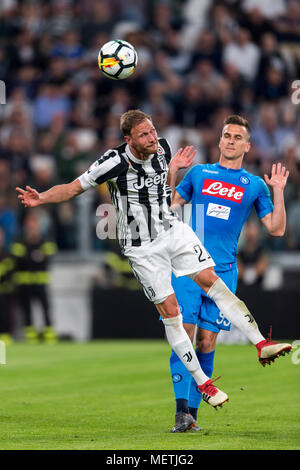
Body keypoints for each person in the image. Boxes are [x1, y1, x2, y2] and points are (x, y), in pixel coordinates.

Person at [16, 110, 291, 418]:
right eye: (144, 135)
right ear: (128, 140)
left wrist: (172, 170)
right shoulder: (118, 163)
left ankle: (261, 344)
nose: (153, 138)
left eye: (152, 131)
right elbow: (74, 187)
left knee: (212, 292)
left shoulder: (165, 150)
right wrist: (42, 198)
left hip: (172, 232)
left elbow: (166, 197)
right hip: (142, 248)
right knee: (175, 318)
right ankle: (197, 392)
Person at [168, 114, 291, 432]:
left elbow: (276, 229)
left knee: (207, 342)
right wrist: (171, 172)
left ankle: (192, 416)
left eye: (238, 137)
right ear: (220, 140)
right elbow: (169, 208)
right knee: (185, 334)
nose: (231, 140)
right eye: (227, 135)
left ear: (248, 146)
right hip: (188, 268)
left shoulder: (254, 185)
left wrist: (278, 191)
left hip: (224, 271)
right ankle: (181, 413)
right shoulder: (198, 173)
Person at [11, 211, 58, 343]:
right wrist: (35, 256)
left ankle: (49, 334)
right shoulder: (20, 241)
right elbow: (18, 260)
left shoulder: (45, 241)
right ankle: (30, 336)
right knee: (27, 311)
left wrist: (30, 257)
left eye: (34, 225)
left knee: (45, 308)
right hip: (24, 283)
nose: (32, 228)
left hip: (40, 283)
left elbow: (47, 259)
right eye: (30, 225)